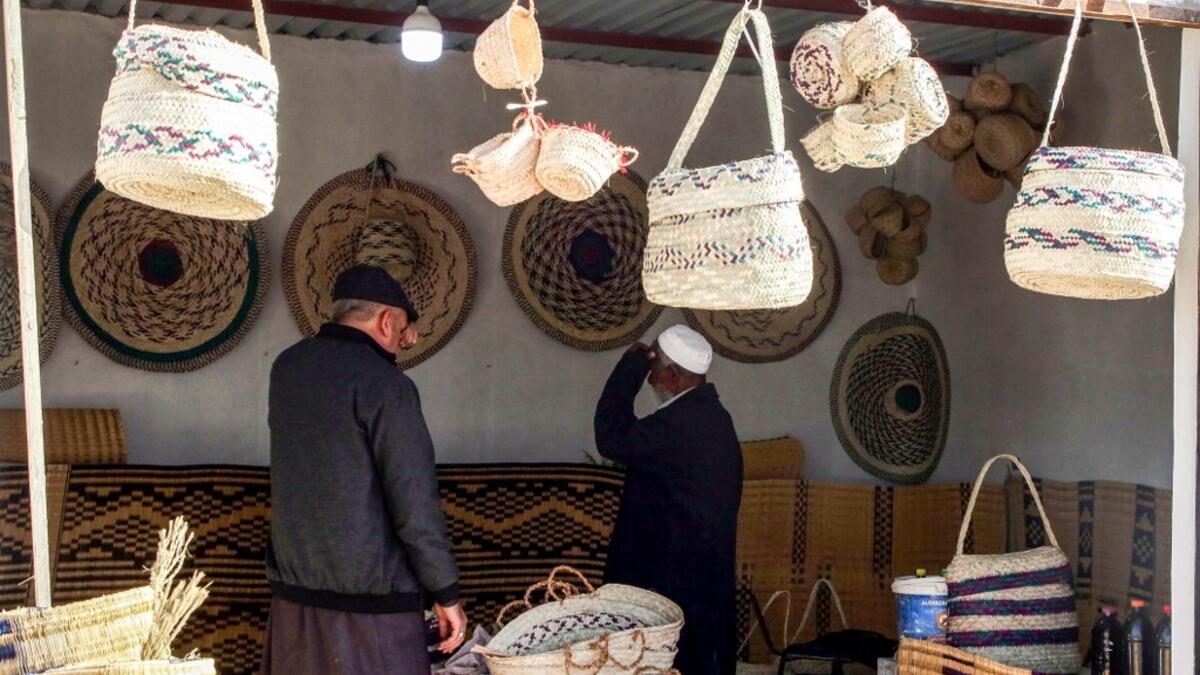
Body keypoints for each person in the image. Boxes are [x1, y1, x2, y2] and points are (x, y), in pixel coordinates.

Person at [261, 264, 467, 675]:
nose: (410, 338)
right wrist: (446, 593)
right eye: (406, 326)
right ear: (386, 320)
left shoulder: (287, 368)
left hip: (293, 602)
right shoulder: (387, 385)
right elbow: (414, 505)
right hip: (372, 611)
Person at [594, 324, 744, 675]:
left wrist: (629, 368)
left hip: (674, 581)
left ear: (673, 375)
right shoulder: (712, 418)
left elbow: (611, 437)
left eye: (654, 369)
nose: (650, 378)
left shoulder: (681, 424)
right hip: (699, 576)